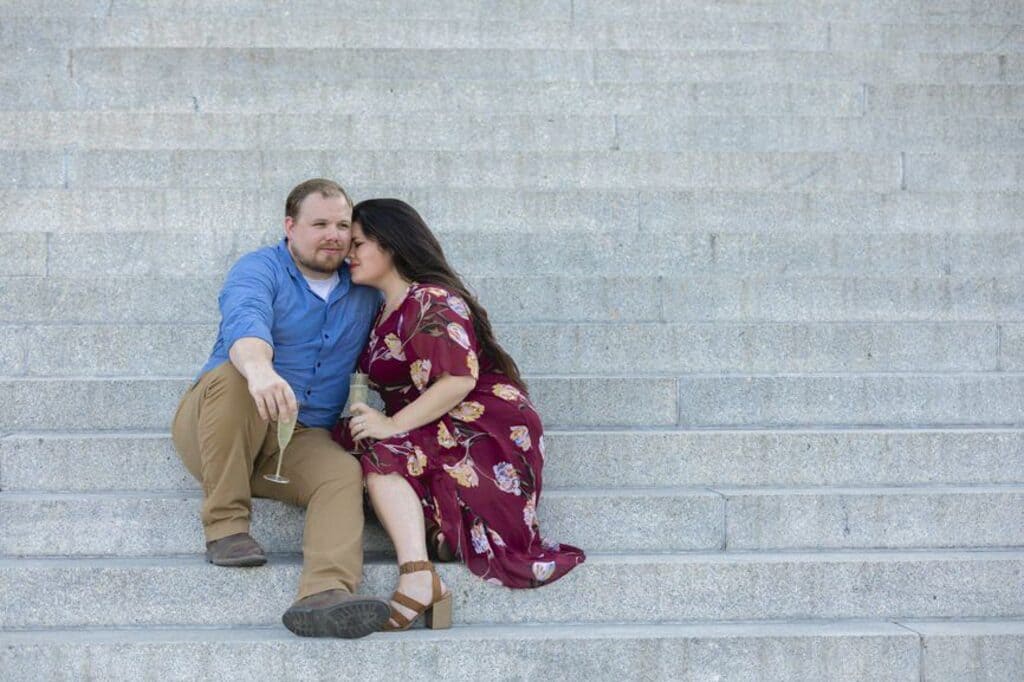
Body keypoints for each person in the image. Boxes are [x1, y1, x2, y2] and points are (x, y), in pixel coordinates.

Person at [332, 198, 586, 632]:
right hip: (436, 421)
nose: (347, 254)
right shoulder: (381, 311)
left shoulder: (431, 299)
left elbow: (457, 381)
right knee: (344, 445)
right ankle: (441, 531)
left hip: (481, 424)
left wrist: (391, 424)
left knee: (382, 451)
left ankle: (417, 577)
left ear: (389, 245)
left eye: (357, 243)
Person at [170, 178, 391, 638]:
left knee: (340, 472)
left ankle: (324, 593)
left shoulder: (364, 289)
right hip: (221, 427)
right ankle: (226, 528)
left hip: (298, 437)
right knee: (234, 378)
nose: (333, 234)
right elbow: (245, 322)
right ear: (290, 226)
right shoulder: (259, 269)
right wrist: (261, 369)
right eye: (320, 224)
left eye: (342, 224)